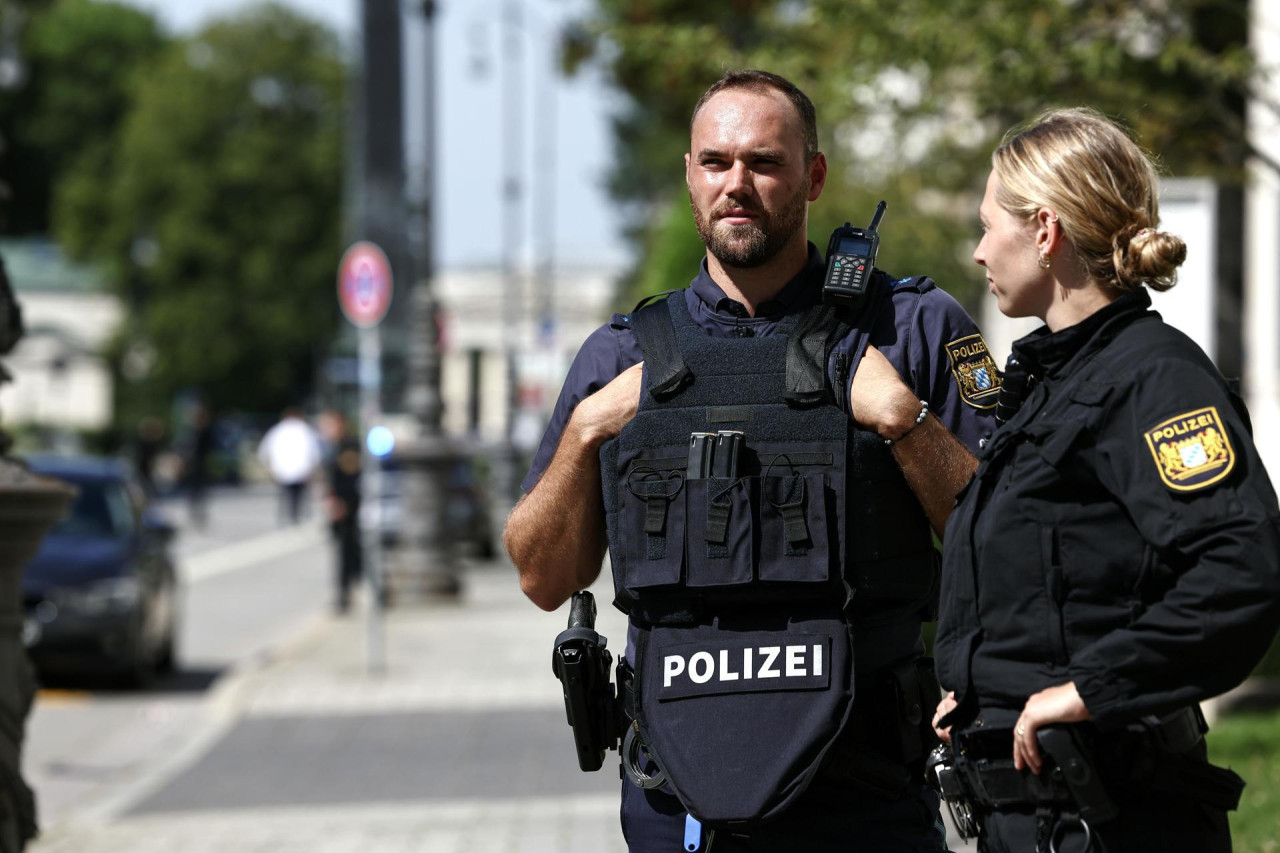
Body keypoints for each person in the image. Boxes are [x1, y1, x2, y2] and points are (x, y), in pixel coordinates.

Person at [505, 69, 996, 852]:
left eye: (764, 162)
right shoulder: (620, 354)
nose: (738, 183)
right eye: (716, 161)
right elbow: (542, 577)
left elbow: (999, 541)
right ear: (690, 176)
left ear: (815, 175)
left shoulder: (914, 328)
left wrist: (904, 419)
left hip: (866, 793)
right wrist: (588, 428)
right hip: (679, 797)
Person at [931, 107, 1280, 852]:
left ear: (1046, 232)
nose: (978, 249)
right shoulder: (1050, 383)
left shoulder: (1153, 378)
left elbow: (1239, 573)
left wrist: (1089, 690)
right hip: (1031, 818)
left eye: (991, 224)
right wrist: (979, 686)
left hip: (1113, 815)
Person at [320, 410, 362, 613]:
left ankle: (344, 595)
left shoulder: (348, 447)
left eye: (330, 426)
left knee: (349, 553)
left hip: (347, 509)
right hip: (341, 508)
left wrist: (340, 502)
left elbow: (349, 479)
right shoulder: (335, 447)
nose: (326, 430)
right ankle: (345, 593)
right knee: (348, 553)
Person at [257, 407, 321, 525]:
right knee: (298, 495)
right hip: (302, 470)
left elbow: (264, 450)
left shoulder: (277, 430)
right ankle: (295, 515)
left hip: (282, 470)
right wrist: (313, 468)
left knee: (285, 494)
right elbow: (315, 451)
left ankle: (287, 515)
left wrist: (269, 467)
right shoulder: (305, 429)